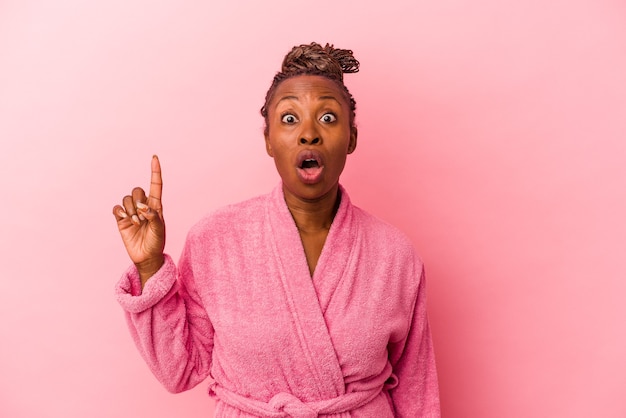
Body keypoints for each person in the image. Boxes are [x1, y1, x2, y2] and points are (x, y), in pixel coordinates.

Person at [113, 42, 440, 418]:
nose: (309, 134)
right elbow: (179, 371)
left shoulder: (394, 255)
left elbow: (416, 389)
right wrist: (150, 266)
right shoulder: (214, 240)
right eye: (289, 119)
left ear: (351, 137)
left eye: (328, 118)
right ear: (268, 139)